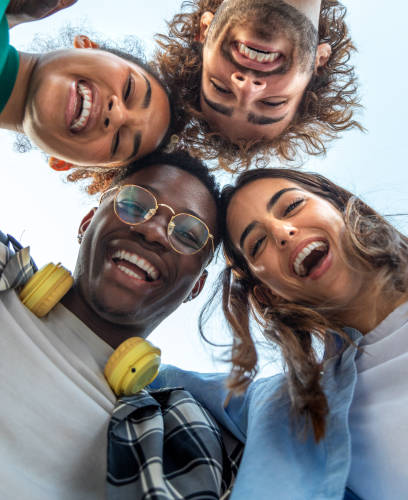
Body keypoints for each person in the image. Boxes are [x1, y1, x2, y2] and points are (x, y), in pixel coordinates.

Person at [151, 167, 408, 499]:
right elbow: (153, 377)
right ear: (267, 293)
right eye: (257, 243)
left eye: (291, 206)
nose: (282, 231)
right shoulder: (289, 409)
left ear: (341, 205)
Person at [0, 149, 242, 499]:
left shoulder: (184, 435)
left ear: (197, 287)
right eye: (134, 205)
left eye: (188, 236)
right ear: (87, 222)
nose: (156, 232)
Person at [125, 0, 408, 167]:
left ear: (204, 30)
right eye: (272, 104)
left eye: (220, 88)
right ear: (319, 62)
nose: (248, 88)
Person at [0, 0, 172, 168]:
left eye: (118, 142)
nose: (115, 116)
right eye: (129, 89)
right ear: (88, 45)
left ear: (63, 163)